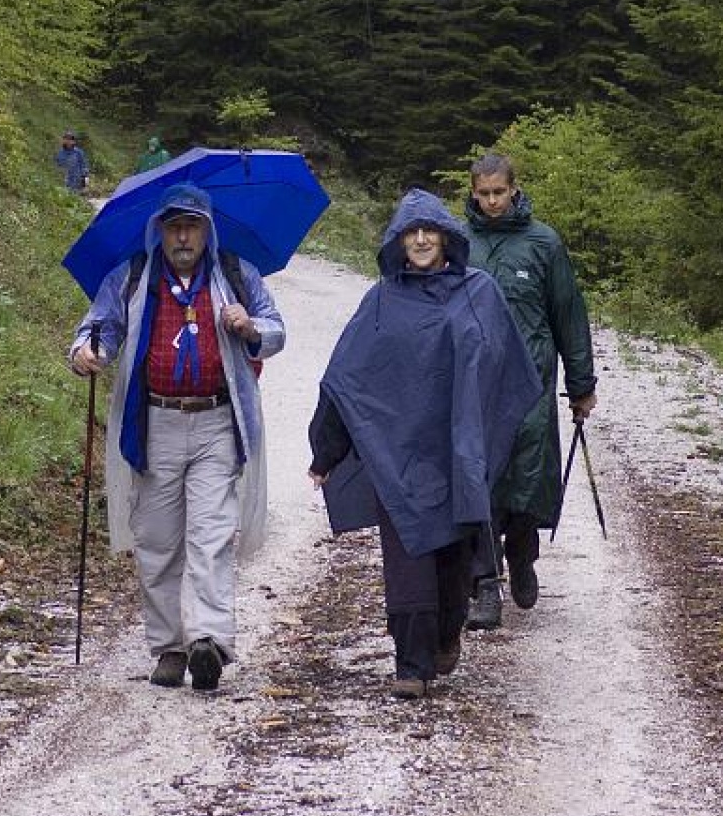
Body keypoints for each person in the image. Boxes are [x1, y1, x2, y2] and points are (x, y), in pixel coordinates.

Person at [308, 188, 541, 699]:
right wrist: (326, 450)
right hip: (399, 453)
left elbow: (507, 368)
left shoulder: (478, 292)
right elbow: (347, 378)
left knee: (453, 558)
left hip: (458, 453)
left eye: (429, 230)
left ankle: (446, 635)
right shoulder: (381, 301)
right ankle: (410, 664)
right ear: (397, 240)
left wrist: (498, 432)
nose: (419, 240)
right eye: (410, 232)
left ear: (446, 237)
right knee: (407, 556)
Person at [67, 183, 284, 692]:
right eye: (174, 227)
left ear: (208, 230)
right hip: (155, 421)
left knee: (211, 535)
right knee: (158, 539)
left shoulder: (235, 274)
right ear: (159, 231)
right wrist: (86, 353)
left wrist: (250, 326)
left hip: (216, 421)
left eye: (192, 226)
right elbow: (98, 328)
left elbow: (276, 330)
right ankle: (169, 646)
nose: (183, 236)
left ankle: (207, 639)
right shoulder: (133, 276)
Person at [464, 152, 598, 629]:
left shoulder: (544, 243)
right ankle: (485, 584)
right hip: (473, 384)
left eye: (500, 192)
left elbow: (568, 314)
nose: (493, 201)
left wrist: (581, 384)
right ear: (473, 193)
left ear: (514, 190)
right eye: (484, 193)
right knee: (476, 479)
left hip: (531, 383)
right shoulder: (458, 243)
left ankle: (522, 554)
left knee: (526, 477)